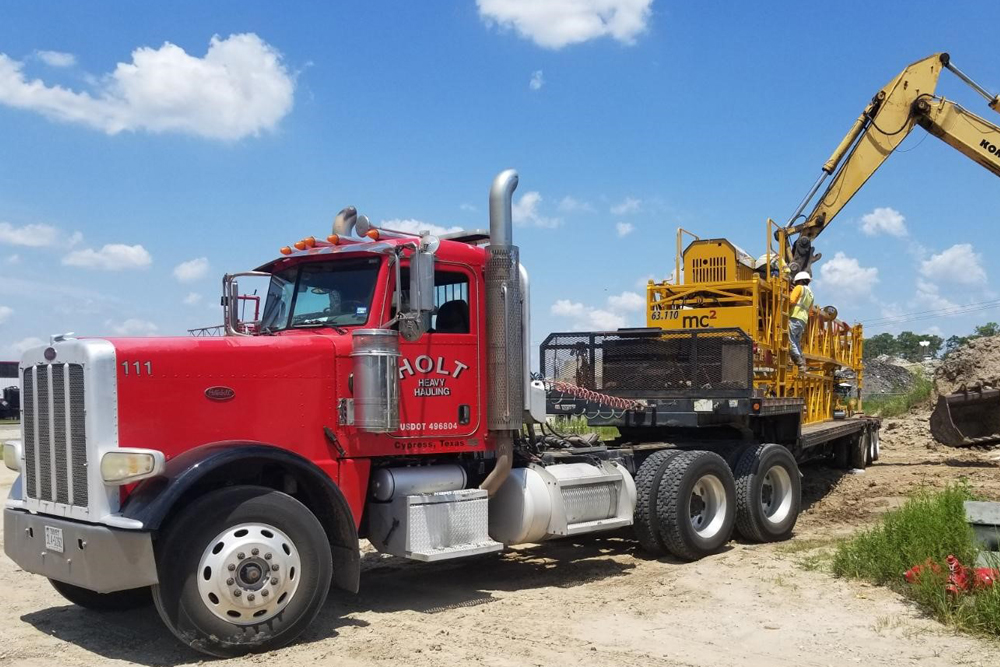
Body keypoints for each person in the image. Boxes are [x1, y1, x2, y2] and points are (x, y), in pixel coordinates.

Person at [788, 271, 813, 373]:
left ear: (800, 281)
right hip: (803, 320)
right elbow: (810, 312)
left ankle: (799, 364)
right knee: (796, 342)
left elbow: (792, 301)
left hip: (794, 316)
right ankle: (802, 362)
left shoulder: (799, 288)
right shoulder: (811, 294)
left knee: (790, 341)